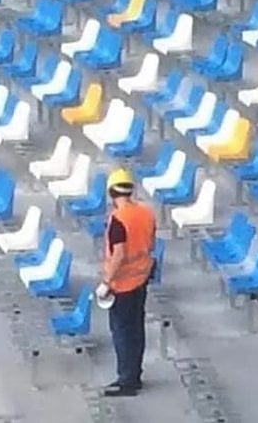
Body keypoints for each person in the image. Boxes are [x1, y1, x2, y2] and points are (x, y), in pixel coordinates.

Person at [100, 168, 156, 397]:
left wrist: (106, 281)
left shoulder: (118, 220)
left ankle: (127, 380)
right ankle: (135, 374)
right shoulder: (146, 213)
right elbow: (149, 241)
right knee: (137, 329)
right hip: (142, 277)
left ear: (112, 193)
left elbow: (119, 254)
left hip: (122, 284)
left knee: (122, 332)